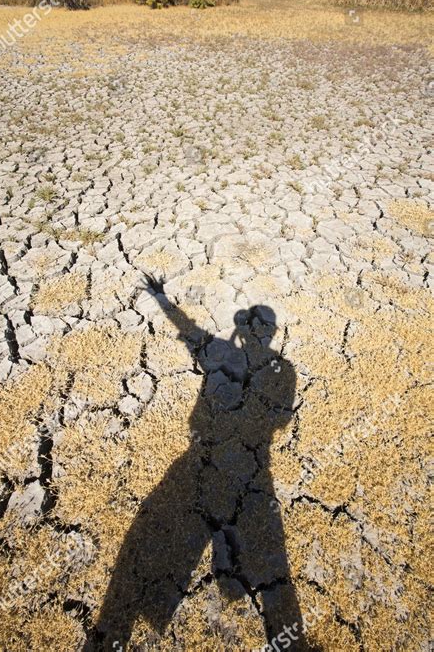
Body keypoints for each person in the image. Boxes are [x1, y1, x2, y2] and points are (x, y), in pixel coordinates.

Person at [91, 279, 307, 651]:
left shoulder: (272, 365)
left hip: (236, 462)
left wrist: (162, 300)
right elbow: (190, 331)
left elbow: (192, 333)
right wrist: (163, 302)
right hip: (249, 463)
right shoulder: (282, 368)